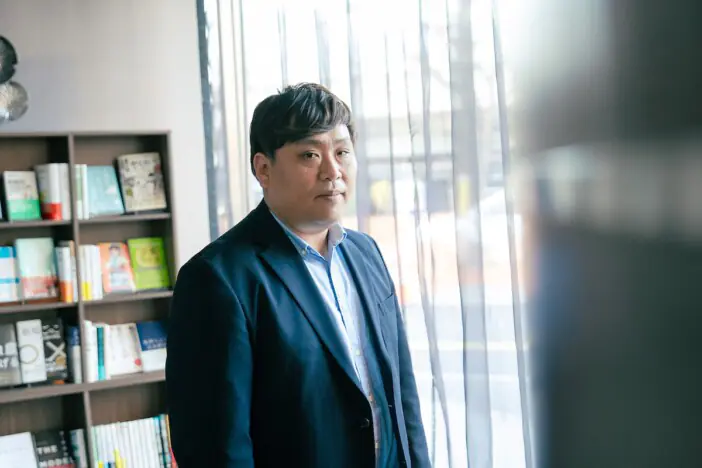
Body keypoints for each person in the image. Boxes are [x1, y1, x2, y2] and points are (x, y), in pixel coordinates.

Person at [166, 83, 430, 468]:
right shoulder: (217, 279)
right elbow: (215, 447)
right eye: (310, 154)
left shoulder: (366, 253)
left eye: (342, 152)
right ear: (263, 169)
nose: (333, 171)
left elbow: (402, 395)